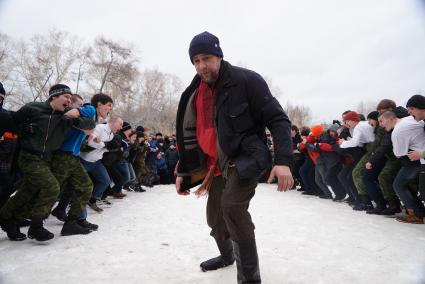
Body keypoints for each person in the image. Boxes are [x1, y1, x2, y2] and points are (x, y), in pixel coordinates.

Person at [175, 31, 293, 283]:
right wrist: (184, 172)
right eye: (196, 60)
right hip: (213, 164)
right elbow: (189, 135)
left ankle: (250, 278)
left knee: (232, 208)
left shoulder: (246, 80)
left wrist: (283, 161)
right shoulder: (193, 92)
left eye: (206, 58)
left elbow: (278, 120)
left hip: (244, 158)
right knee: (215, 218)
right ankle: (226, 256)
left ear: (219, 56)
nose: (201, 65)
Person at [0, 84, 95, 241]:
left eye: (71, 99)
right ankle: (36, 227)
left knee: (28, 190)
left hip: (47, 158)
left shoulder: (65, 116)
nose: (69, 101)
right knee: (52, 187)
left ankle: (6, 217)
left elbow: (90, 124)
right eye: (67, 97)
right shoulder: (33, 108)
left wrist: (77, 114)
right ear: (54, 96)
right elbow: (12, 122)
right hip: (28, 156)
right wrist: (25, 129)